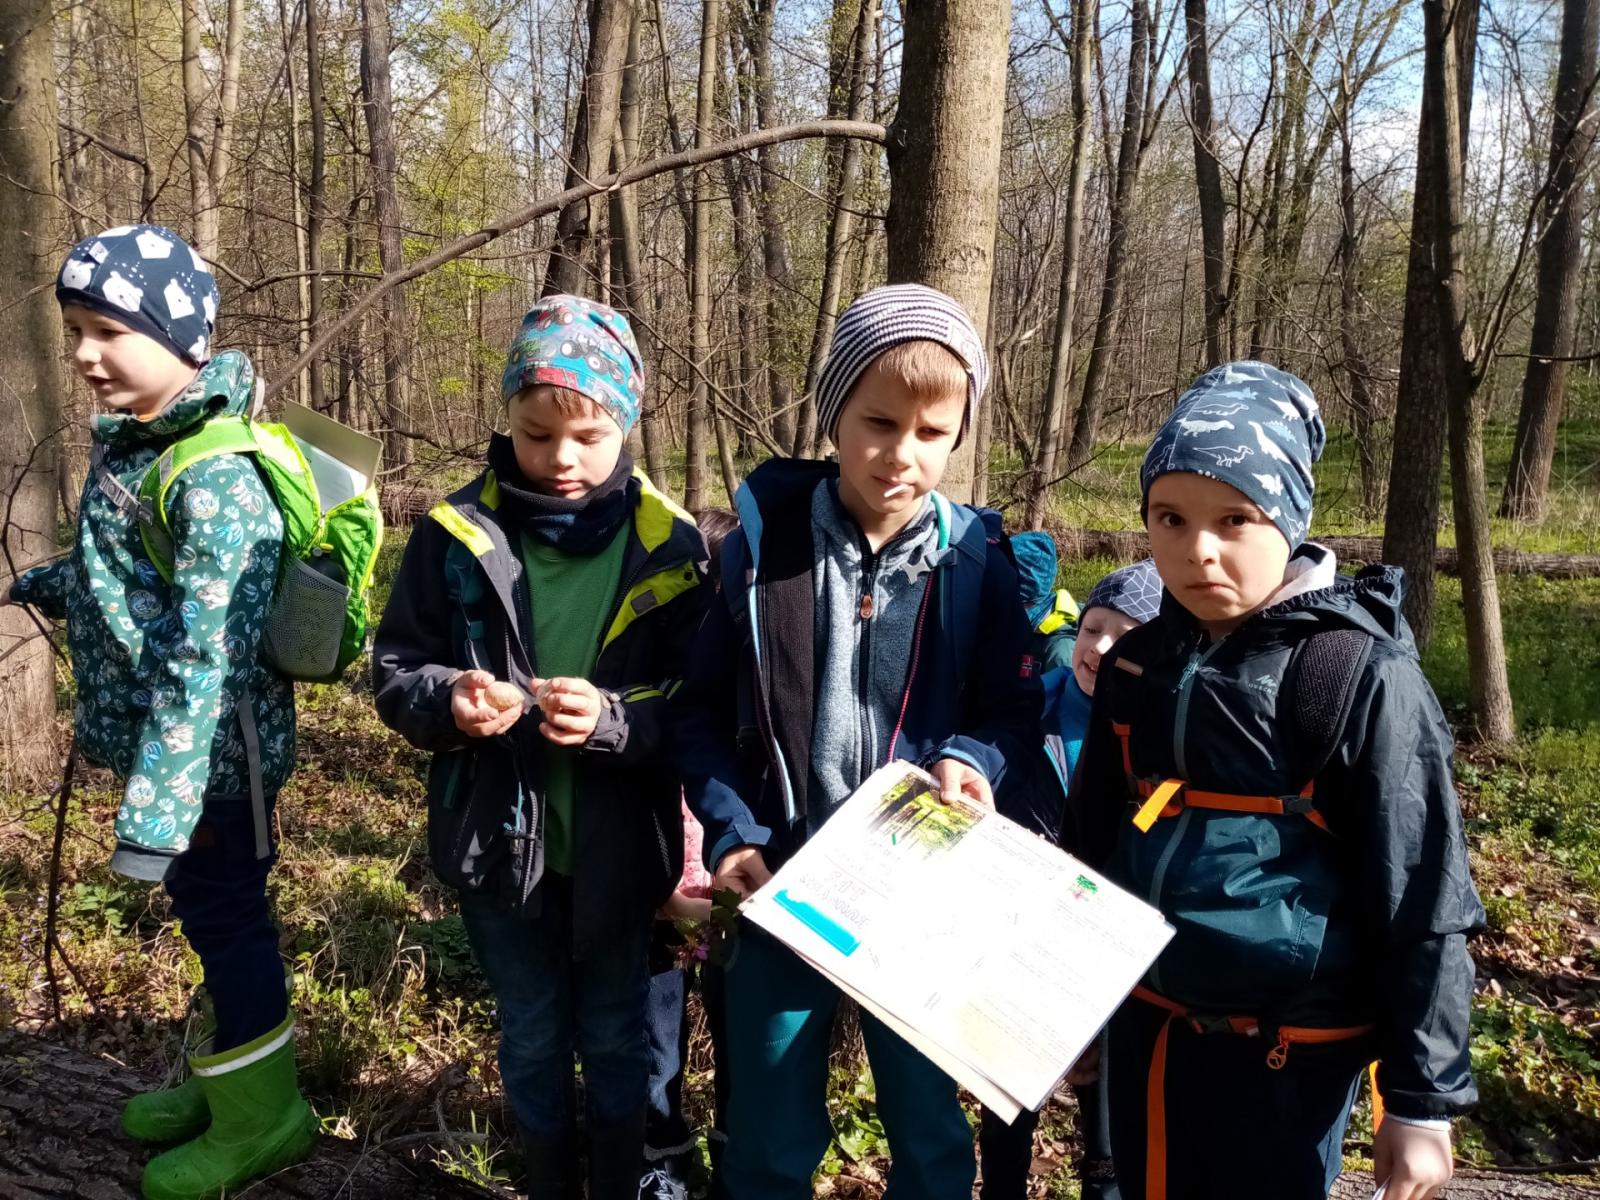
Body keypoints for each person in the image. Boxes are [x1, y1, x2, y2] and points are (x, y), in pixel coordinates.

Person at [1068, 361, 1484, 1200]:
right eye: (1170, 518)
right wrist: (1066, 1015)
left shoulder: (1355, 676)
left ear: (1291, 521)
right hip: (1150, 1038)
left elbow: (1426, 897)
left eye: (1236, 519)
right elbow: (1088, 859)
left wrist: (1423, 1102)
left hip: (1292, 1053)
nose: (1199, 550)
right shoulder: (1137, 668)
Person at [674, 283, 1043, 1200]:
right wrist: (732, 835)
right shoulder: (759, 554)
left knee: (927, 1130)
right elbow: (697, 713)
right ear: (833, 412)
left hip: (925, 894)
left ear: (959, 434)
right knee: (765, 1129)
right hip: (786, 886)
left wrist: (973, 757)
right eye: (878, 423)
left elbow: (1012, 708)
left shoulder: (976, 564)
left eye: (932, 433)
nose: (902, 455)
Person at [371, 296, 708, 1200]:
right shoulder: (454, 538)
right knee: (528, 1029)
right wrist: (451, 700)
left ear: (626, 425)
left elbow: (700, 708)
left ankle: (621, 1176)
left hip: (618, 853)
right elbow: (396, 667)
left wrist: (613, 721)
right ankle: (549, 1178)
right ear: (507, 421)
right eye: (536, 434)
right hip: (493, 845)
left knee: (613, 1033)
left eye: (589, 437)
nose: (562, 460)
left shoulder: (669, 547)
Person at [6, 224, 312, 1200]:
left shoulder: (217, 475)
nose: (87, 355)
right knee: (211, 922)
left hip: (213, 766)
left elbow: (205, 654)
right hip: (176, 763)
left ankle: (266, 1121)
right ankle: (228, 1092)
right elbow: (133, 580)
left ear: (182, 339)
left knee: (231, 925)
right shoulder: (147, 449)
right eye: (75, 331)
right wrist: (50, 582)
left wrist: (156, 809)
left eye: (107, 330)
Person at [983, 556, 1162, 1200]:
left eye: (1124, 632)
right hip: (1019, 940)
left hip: (1113, 954)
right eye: (1092, 628)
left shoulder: (1161, 733)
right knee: (1005, 1108)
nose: (1100, 647)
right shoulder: (1031, 711)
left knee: (1106, 1117)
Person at [639, 508, 738, 1200]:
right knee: (655, 1033)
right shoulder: (654, 682)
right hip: (658, 899)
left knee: (739, 1035)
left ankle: (737, 1151)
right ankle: (662, 1151)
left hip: (734, 898)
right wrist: (664, 898)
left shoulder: (752, 675)